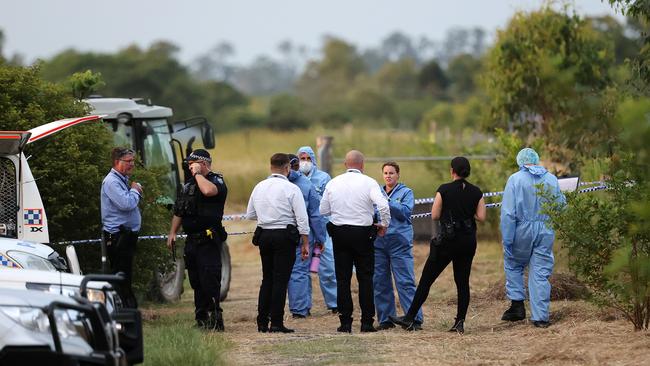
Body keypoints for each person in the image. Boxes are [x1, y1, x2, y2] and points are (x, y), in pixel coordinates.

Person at [391, 157, 486, 334]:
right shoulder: (477, 192)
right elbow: (481, 217)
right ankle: (459, 322)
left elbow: (435, 215)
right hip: (467, 241)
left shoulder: (444, 189)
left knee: (427, 280)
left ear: (452, 171)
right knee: (462, 282)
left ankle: (410, 317)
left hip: (447, 242)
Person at [320, 150, 390, 333]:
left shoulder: (333, 182)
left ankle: (345, 322)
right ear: (362, 165)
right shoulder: (369, 182)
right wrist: (384, 224)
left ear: (345, 164)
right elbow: (383, 204)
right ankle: (367, 322)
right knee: (365, 278)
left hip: (340, 233)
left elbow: (322, 210)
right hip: (363, 234)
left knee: (342, 279)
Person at [500, 148, 565, 328]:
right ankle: (541, 318)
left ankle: (517, 305)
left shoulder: (515, 179)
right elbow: (561, 206)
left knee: (513, 262)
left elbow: (508, 214)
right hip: (545, 228)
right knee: (540, 271)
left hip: (522, 228)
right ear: (536, 160)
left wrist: (507, 239)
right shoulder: (551, 179)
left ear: (520, 161)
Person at [246, 153, 310, 333]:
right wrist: (305, 242)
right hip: (284, 236)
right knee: (281, 280)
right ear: (287, 168)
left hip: (264, 234)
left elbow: (250, 214)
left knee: (267, 278)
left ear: (271, 166)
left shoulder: (259, 187)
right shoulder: (291, 188)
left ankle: (261, 322)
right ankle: (276, 322)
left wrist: (267, 216)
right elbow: (301, 218)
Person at [167, 149, 228, 331]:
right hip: (192, 241)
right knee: (196, 280)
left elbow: (209, 191)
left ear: (203, 163)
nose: (189, 166)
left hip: (208, 239)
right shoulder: (189, 185)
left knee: (210, 278)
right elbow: (180, 210)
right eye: (189, 164)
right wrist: (172, 232)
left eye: (193, 163)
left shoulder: (215, 180)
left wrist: (199, 174)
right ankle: (201, 318)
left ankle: (215, 318)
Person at [373, 162, 423, 330]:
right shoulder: (376, 192)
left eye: (392, 173)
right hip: (379, 242)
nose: (388, 176)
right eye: (386, 173)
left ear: (398, 175)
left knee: (405, 281)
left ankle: (414, 318)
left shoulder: (406, 192)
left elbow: (405, 212)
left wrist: (387, 202)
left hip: (399, 242)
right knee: (380, 281)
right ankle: (385, 319)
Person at [101, 147, 143, 309]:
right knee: (120, 276)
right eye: (128, 161)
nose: (132, 164)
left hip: (125, 237)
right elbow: (126, 204)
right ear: (117, 162)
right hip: (118, 237)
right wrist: (135, 190)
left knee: (125, 276)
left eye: (133, 161)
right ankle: (123, 310)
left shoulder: (121, 180)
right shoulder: (111, 181)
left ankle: (126, 308)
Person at [297, 146, 338, 312]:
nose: (305, 162)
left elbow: (331, 201)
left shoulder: (323, 177)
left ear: (313, 160)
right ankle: (303, 306)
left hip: (322, 228)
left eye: (308, 158)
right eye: (302, 158)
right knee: (302, 269)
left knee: (328, 267)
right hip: (303, 229)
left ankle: (334, 303)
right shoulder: (294, 179)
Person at [286, 154, 328, 318]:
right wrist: (321, 238)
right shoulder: (306, 184)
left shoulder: (269, 183)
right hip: (301, 235)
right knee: (300, 271)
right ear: (296, 166)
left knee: (279, 271)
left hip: (275, 233)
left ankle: (279, 308)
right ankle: (300, 309)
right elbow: (315, 216)